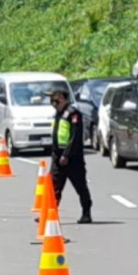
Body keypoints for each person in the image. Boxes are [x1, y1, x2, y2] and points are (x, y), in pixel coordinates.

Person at [46, 87, 92, 224]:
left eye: (53, 97)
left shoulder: (73, 113)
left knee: (80, 187)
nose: (51, 101)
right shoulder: (58, 113)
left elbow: (75, 137)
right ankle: (50, 214)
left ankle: (86, 213)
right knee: (54, 187)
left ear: (61, 97)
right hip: (57, 156)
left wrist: (66, 155)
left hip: (72, 158)